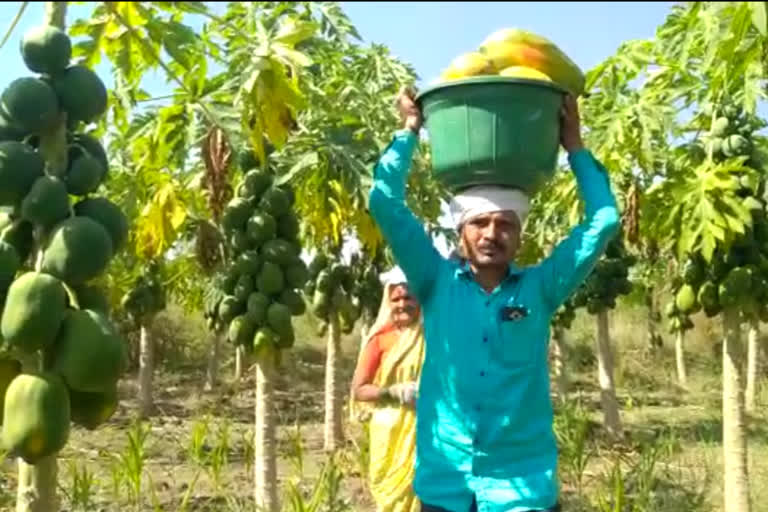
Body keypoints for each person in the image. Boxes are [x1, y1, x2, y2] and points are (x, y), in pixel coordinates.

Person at [367, 88, 620, 512]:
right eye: (479, 223)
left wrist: (574, 145)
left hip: (520, 486)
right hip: (445, 483)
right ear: (460, 232)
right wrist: (409, 129)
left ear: (520, 234)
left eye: (505, 224)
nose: (491, 234)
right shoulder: (433, 281)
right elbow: (384, 202)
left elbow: (604, 219)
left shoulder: (541, 288)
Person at [350, 266, 426, 512]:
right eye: (396, 299)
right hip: (388, 432)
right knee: (390, 500)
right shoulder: (380, 339)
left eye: (408, 297)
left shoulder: (434, 336)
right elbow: (359, 389)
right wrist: (392, 392)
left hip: (425, 431)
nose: (402, 304)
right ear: (388, 302)